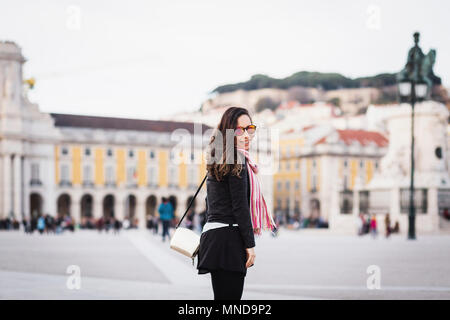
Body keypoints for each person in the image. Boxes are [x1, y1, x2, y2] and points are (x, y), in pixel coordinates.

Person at [197, 107, 276, 300]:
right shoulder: (238, 159)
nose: (246, 135)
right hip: (230, 240)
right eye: (239, 130)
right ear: (229, 131)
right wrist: (250, 244)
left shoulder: (219, 157)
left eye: (249, 128)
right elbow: (240, 206)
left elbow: (210, 203)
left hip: (214, 238)